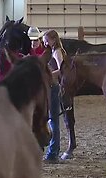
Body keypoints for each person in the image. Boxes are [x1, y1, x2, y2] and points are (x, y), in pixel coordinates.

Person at [42, 29, 66, 163]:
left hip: (53, 86)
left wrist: (49, 75)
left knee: (53, 120)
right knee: (52, 120)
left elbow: (61, 69)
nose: (45, 42)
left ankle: (53, 153)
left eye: (46, 39)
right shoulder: (52, 51)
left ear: (53, 39)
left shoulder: (56, 52)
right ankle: (53, 151)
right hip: (51, 87)